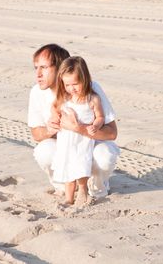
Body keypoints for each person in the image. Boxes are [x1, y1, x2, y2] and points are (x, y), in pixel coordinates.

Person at [28, 44, 120, 199]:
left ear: (60, 68)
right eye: (36, 68)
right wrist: (50, 130)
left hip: (89, 143)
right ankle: (62, 186)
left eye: (44, 67)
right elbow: (36, 134)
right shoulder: (37, 92)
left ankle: (97, 187)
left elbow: (112, 133)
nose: (38, 74)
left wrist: (79, 128)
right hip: (64, 145)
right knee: (43, 151)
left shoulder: (90, 89)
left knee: (106, 155)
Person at [51, 56, 105, 206]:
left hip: (83, 140)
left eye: (75, 84)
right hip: (66, 140)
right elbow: (54, 107)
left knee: (81, 165)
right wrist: (54, 117)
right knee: (68, 168)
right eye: (67, 84)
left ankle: (82, 190)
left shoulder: (92, 99)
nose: (72, 88)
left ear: (85, 79)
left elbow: (100, 116)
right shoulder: (65, 97)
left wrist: (96, 125)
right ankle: (68, 198)